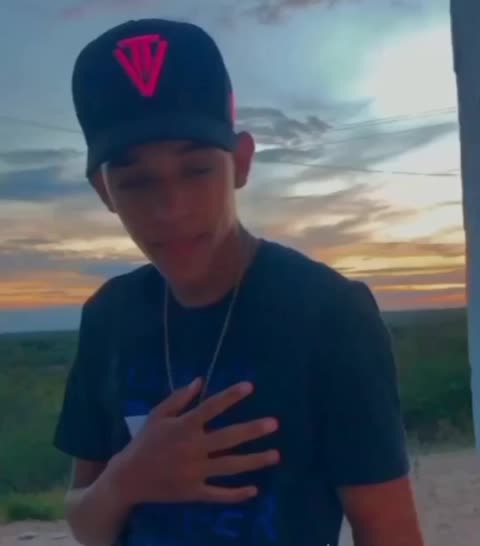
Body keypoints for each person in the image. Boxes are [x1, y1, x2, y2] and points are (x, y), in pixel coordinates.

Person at [53, 17, 424, 546]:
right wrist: (128, 477)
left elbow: (389, 531)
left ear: (241, 163)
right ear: (103, 191)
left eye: (197, 170)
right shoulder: (109, 315)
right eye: (136, 181)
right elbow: (86, 523)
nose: (171, 208)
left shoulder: (329, 314)